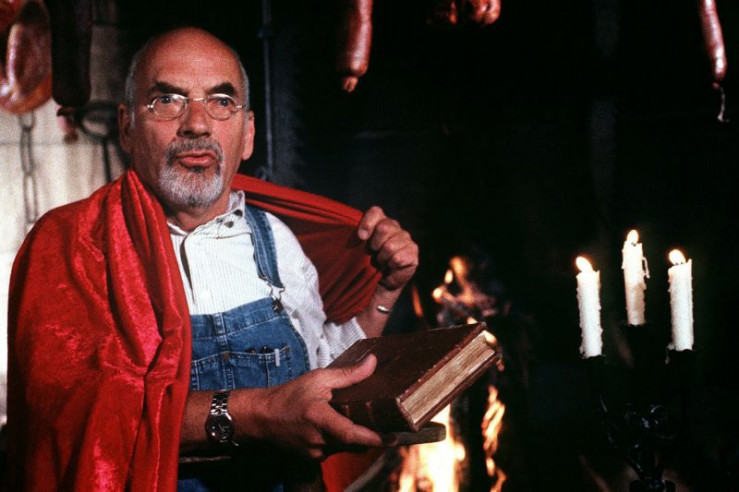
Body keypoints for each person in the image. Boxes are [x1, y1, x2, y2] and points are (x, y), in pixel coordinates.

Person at [6, 26, 418, 491]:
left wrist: (385, 291)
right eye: (167, 100)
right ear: (127, 127)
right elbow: (66, 420)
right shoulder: (72, 245)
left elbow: (321, 369)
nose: (197, 124)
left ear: (248, 134)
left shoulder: (276, 239)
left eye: (222, 102)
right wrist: (258, 413)